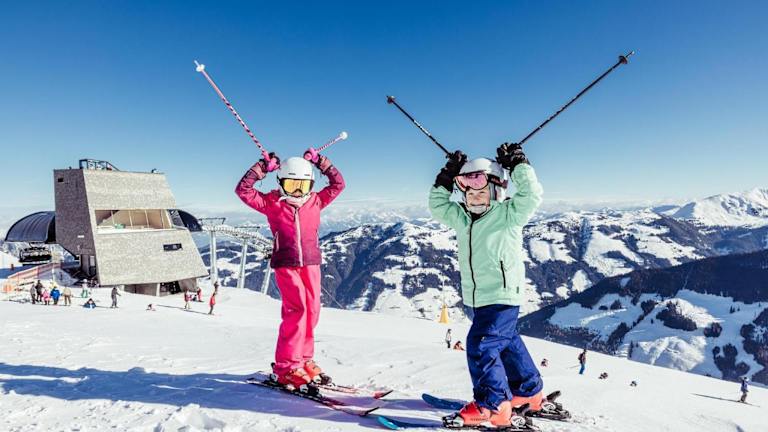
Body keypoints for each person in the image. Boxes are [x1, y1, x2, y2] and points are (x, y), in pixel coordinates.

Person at [428, 143, 544, 428]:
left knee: (481, 344)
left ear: (497, 191)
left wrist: (518, 165)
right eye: (468, 193)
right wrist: (447, 174)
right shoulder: (462, 218)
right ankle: (528, 392)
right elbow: (437, 205)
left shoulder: (508, 214)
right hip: (476, 297)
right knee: (506, 342)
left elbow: (531, 194)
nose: (474, 198)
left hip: (502, 294)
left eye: (481, 192)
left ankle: (493, 405)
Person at [235, 150, 344, 389]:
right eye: (291, 185)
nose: (297, 192)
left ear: (310, 185)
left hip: (311, 263)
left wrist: (322, 162)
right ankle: (286, 367)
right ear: (280, 182)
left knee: (312, 310)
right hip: (286, 263)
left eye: (302, 186)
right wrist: (262, 168)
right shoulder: (272, 203)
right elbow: (243, 190)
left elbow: (338, 184)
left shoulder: (316, 201)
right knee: (297, 311)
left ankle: (303, 359)